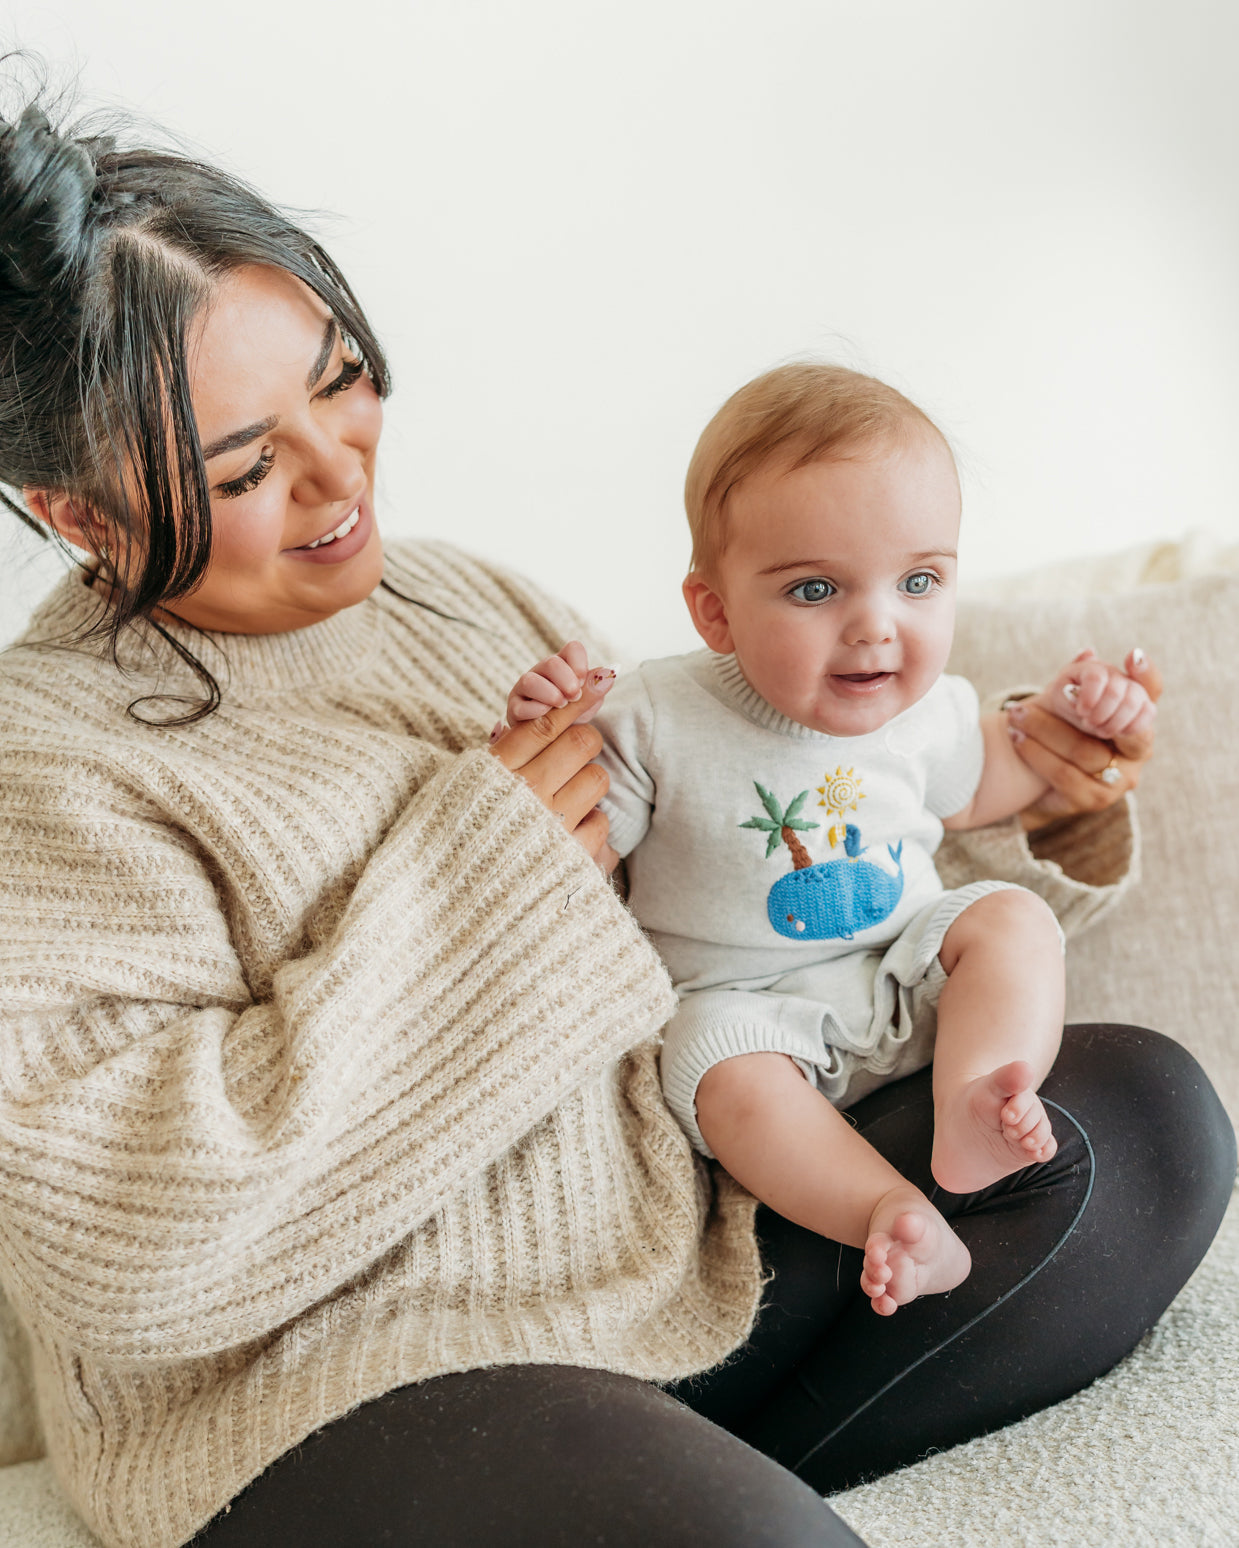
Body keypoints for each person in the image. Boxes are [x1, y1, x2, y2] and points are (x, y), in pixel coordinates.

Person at [0, 95, 1232, 1548]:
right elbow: (132, 1255)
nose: (342, 476)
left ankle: (677, 1464)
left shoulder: (463, 595)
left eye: (341, 382)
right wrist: (487, 884)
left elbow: (754, 881)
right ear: (79, 514)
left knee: (1141, 1124)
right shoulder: (52, 764)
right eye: (247, 470)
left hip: (674, 1252)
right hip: (356, 1377)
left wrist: (1030, 787)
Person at [503, 364, 1156, 1317]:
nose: (875, 628)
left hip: (903, 973)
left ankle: (975, 1101)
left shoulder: (928, 709)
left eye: (918, 581)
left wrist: (1069, 722)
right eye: (815, 589)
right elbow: (574, 851)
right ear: (714, 610)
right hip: (754, 1017)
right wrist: (547, 736)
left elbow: (986, 783)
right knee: (714, 1068)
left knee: (1011, 918)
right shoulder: (656, 716)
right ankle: (888, 1214)